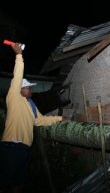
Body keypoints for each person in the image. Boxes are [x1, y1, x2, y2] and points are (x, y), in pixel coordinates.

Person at [0, 43, 65, 193]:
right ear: (20, 89)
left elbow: (40, 120)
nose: (31, 89)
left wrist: (61, 118)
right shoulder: (14, 98)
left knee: (19, 183)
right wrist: (18, 55)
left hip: (24, 149)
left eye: (31, 87)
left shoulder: (31, 105)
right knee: (4, 184)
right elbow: (17, 76)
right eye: (28, 87)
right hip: (11, 147)